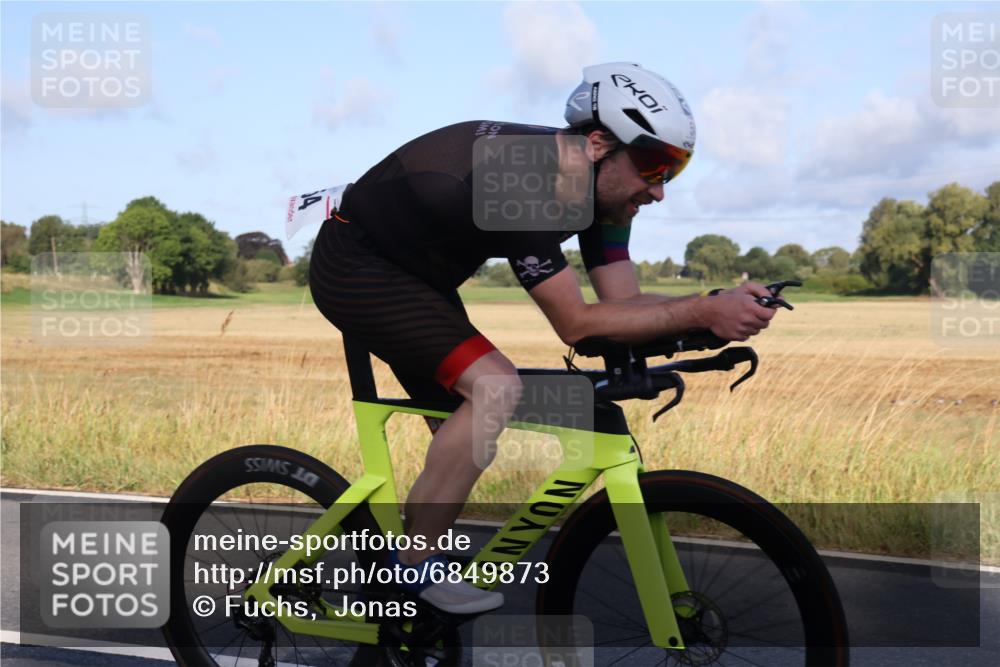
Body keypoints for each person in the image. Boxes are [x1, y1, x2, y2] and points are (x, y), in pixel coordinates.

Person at [308, 62, 777, 614]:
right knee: (494, 389)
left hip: (422, 281)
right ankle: (411, 568)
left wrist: (716, 306)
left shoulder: (605, 191)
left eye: (672, 170)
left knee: (463, 428)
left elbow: (623, 304)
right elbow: (576, 324)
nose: (658, 190)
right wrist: (701, 311)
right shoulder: (521, 178)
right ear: (598, 143)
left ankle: (406, 609)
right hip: (357, 267)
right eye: (653, 165)